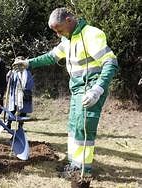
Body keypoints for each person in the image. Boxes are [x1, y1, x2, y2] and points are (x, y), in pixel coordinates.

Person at [13, 7, 118, 176]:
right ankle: (74, 164)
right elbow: (51, 57)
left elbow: (110, 63)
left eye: (59, 29)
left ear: (69, 21)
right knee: (74, 127)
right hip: (77, 90)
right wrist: (28, 63)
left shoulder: (91, 35)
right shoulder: (67, 40)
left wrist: (97, 90)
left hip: (90, 88)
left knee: (84, 129)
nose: (58, 34)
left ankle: (83, 170)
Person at [6, 56, 34, 129]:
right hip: (15, 95)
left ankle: (20, 126)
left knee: (23, 111)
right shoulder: (13, 72)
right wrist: (8, 77)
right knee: (12, 110)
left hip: (25, 95)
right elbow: (9, 82)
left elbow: (31, 83)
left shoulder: (27, 73)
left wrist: (25, 90)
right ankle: (8, 122)